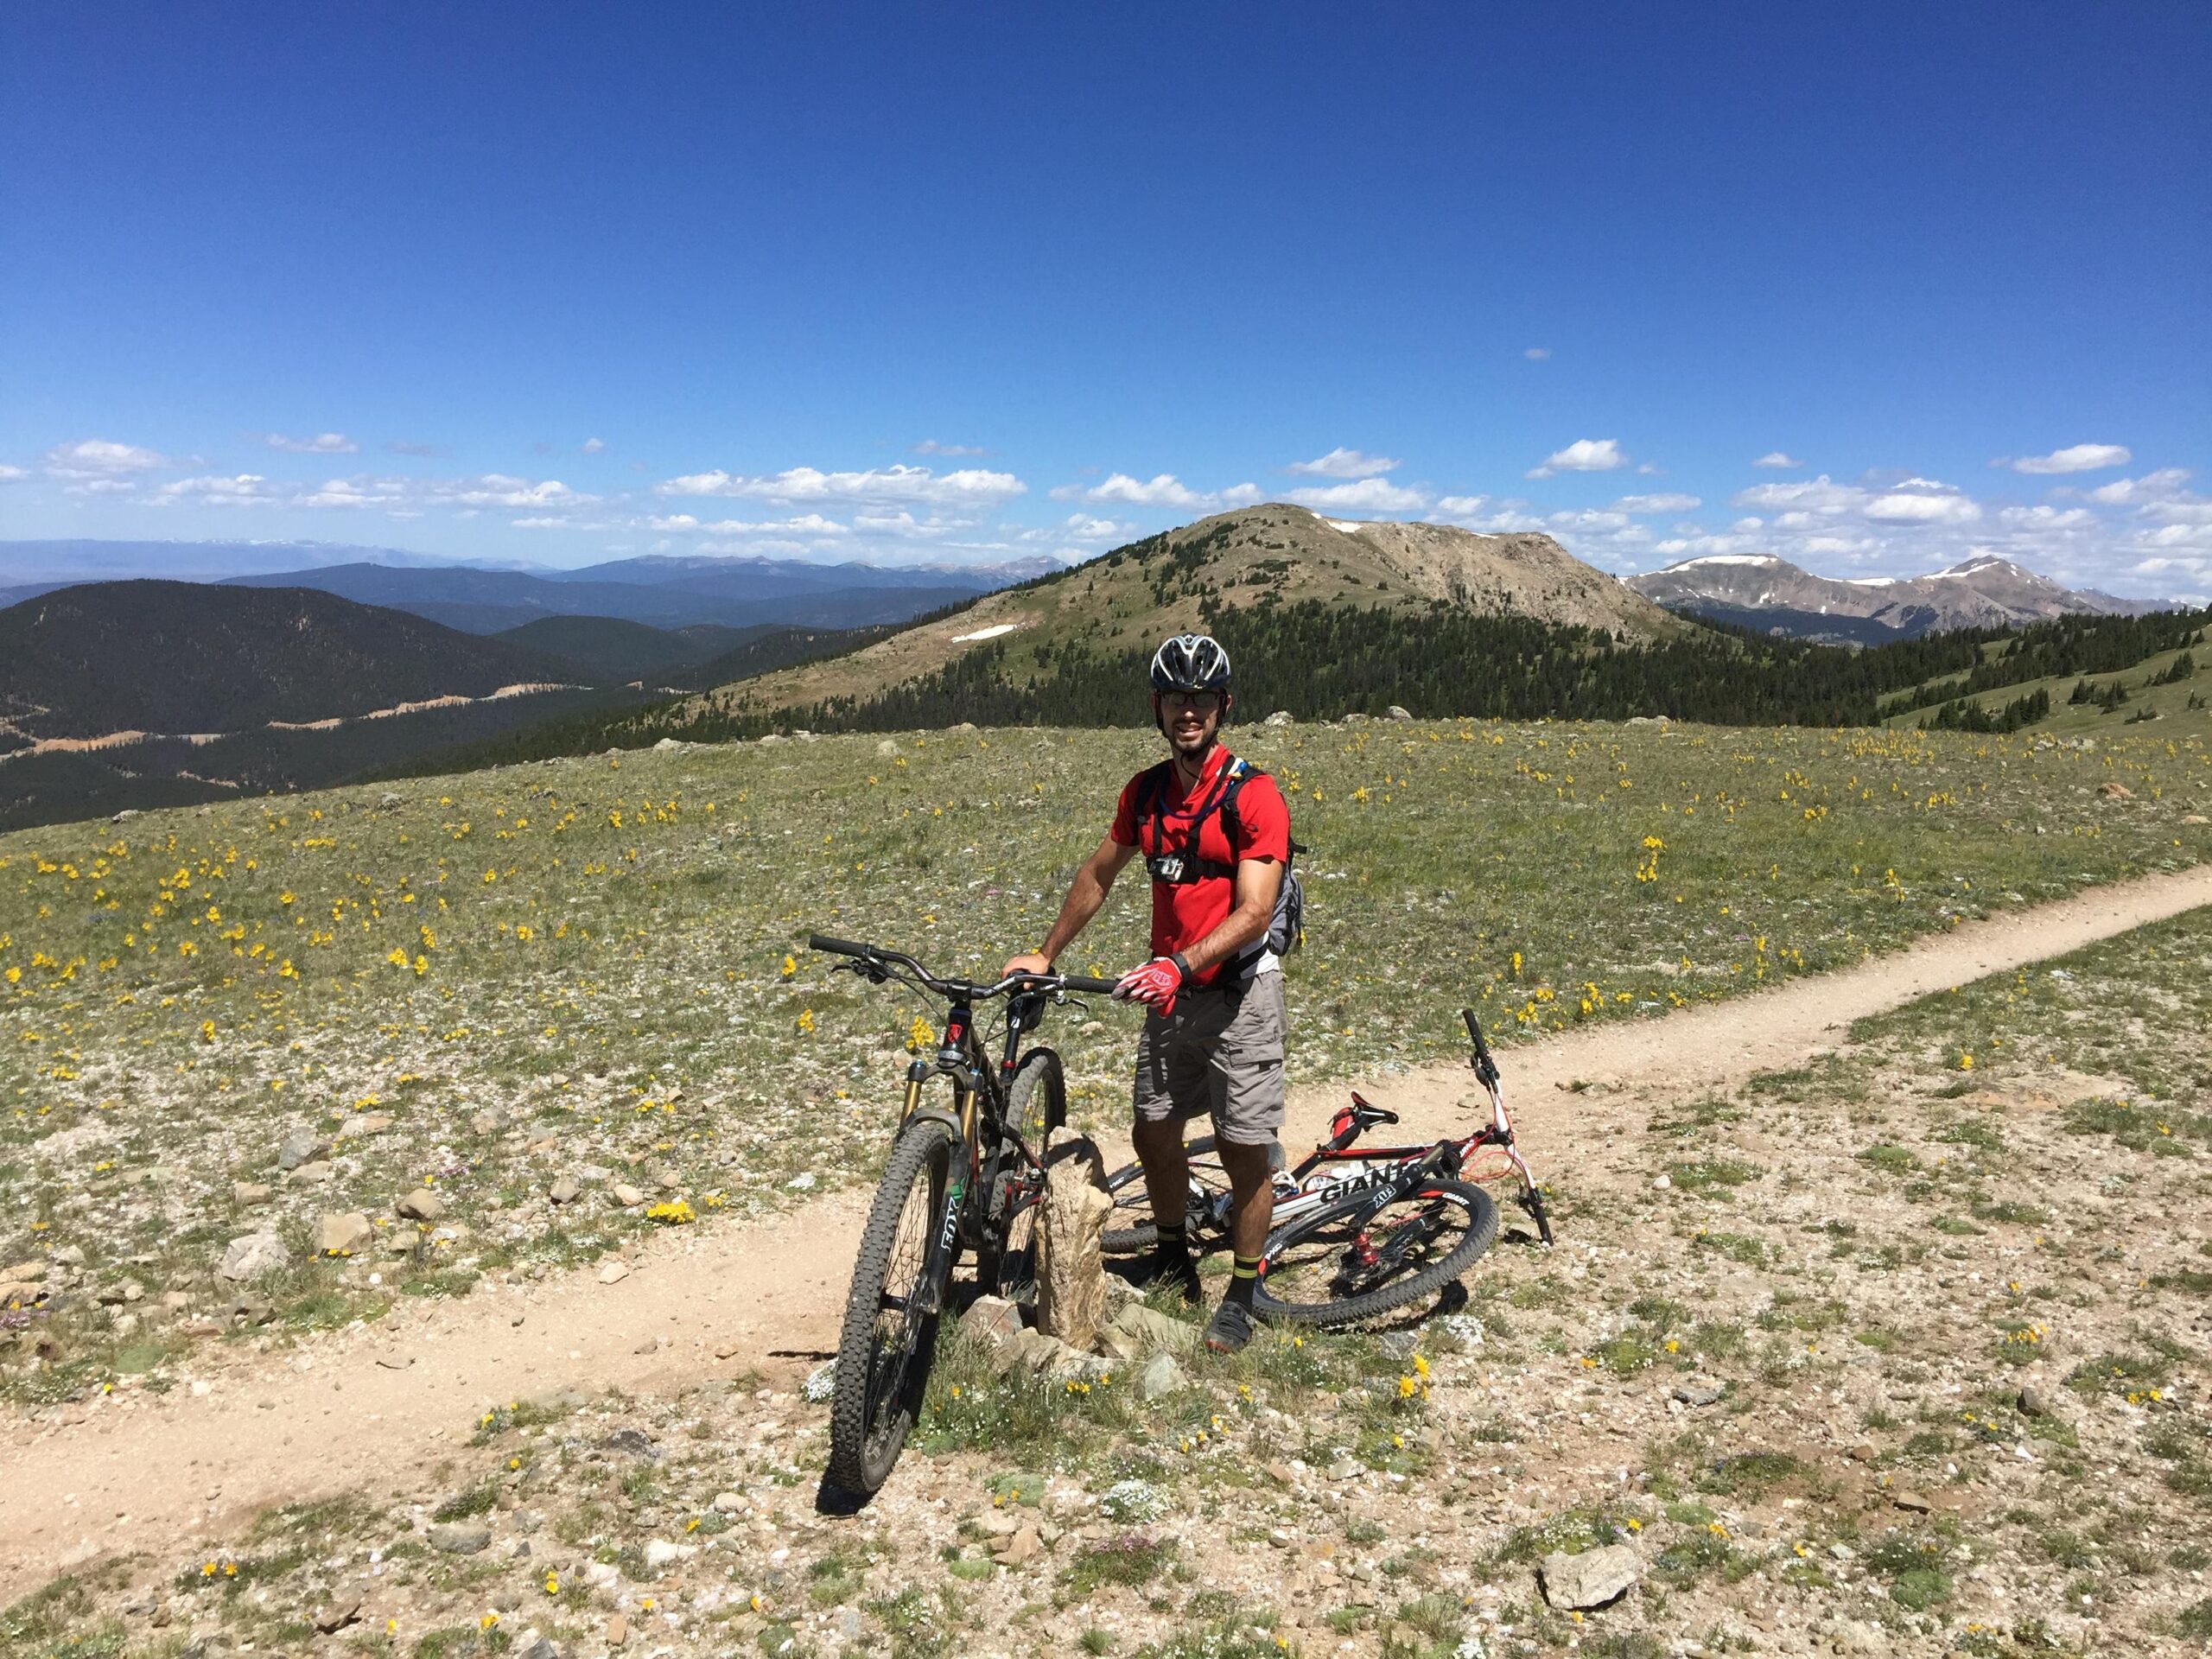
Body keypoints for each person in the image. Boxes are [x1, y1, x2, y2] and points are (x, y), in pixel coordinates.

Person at [1003, 632, 1292, 1353]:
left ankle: (1245, 1289)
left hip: (1239, 993)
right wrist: (1044, 953)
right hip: (1169, 994)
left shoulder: (1254, 795)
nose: (1187, 711)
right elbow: (1098, 876)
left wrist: (1178, 966)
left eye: (1200, 698)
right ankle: (1173, 1252)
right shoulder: (1145, 792)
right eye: (1174, 698)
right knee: (1154, 1129)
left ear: (1222, 706)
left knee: (1243, 1145)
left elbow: (1255, 910)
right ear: (1158, 709)